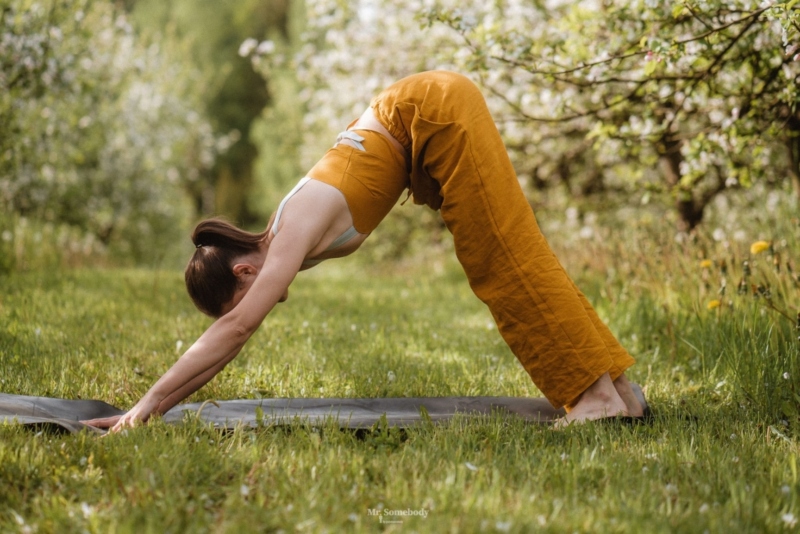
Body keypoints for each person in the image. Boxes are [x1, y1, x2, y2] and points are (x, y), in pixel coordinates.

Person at [84, 71, 643, 432]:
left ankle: (593, 396)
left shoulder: (289, 234)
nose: (265, 305)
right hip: (429, 115)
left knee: (502, 257)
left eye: (242, 299)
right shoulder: (281, 235)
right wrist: (148, 410)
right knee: (509, 250)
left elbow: (233, 334)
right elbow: (233, 329)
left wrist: (145, 407)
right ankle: (614, 389)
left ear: (245, 269)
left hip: (434, 113)